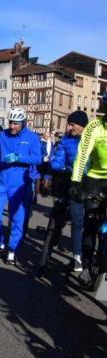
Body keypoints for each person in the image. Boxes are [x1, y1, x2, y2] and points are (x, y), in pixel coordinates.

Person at [0, 107, 42, 264]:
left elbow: (37, 158)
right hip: (1, 183)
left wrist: (20, 157)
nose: (12, 126)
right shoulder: (1, 136)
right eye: (10, 122)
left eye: (16, 123)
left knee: (17, 219)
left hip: (20, 185)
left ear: (23, 122)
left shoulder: (31, 137)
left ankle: (11, 249)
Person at [71, 92, 107, 286]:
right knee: (91, 222)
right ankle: (85, 265)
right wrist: (76, 182)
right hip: (95, 179)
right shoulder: (94, 127)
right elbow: (82, 155)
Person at [48, 110, 89, 272]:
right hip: (74, 184)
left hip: (93, 184)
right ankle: (77, 256)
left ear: (82, 125)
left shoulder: (92, 140)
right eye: (69, 124)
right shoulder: (66, 141)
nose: (69, 127)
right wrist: (56, 166)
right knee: (77, 220)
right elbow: (58, 159)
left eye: (72, 124)